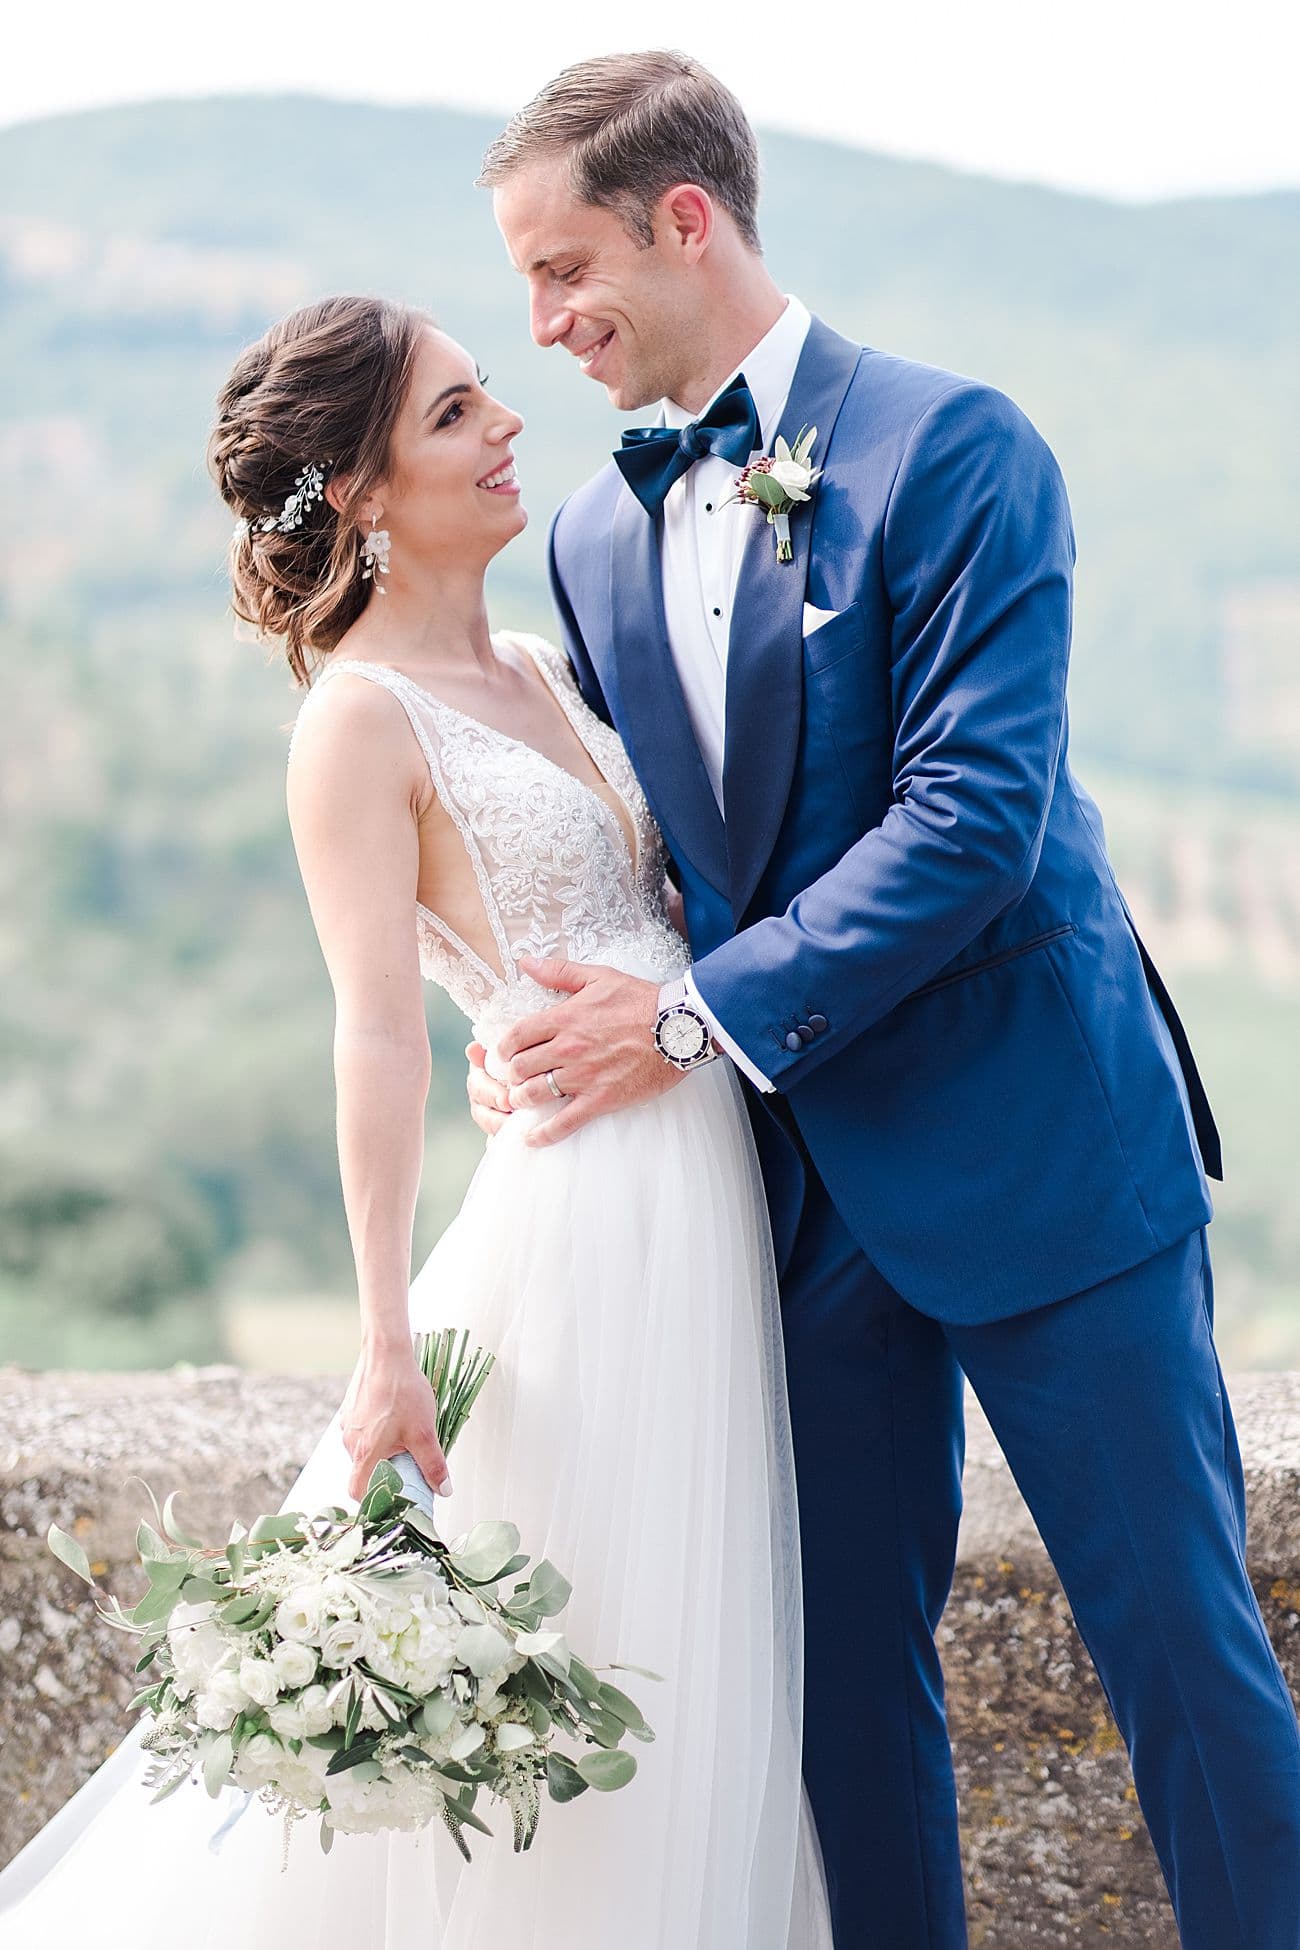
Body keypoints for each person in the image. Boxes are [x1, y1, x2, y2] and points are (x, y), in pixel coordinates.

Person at [463, 49, 1300, 1950]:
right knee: (838, 1683)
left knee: (1179, 1646)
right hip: (787, 1195)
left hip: (1044, 1145)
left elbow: (976, 822)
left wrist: (682, 1023)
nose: (544, 325)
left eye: (564, 266)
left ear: (688, 221)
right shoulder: (596, 538)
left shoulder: (957, 445)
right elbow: (667, 861)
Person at [0, 295, 833, 1949]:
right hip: (584, 1219)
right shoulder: (355, 721)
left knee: (705, 1650)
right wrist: (383, 1339)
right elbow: (378, 1029)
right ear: (366, 491)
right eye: (457, 412)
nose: (507, 421)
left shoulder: (533, 661)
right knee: (599, 1656)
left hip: (703, 1184)